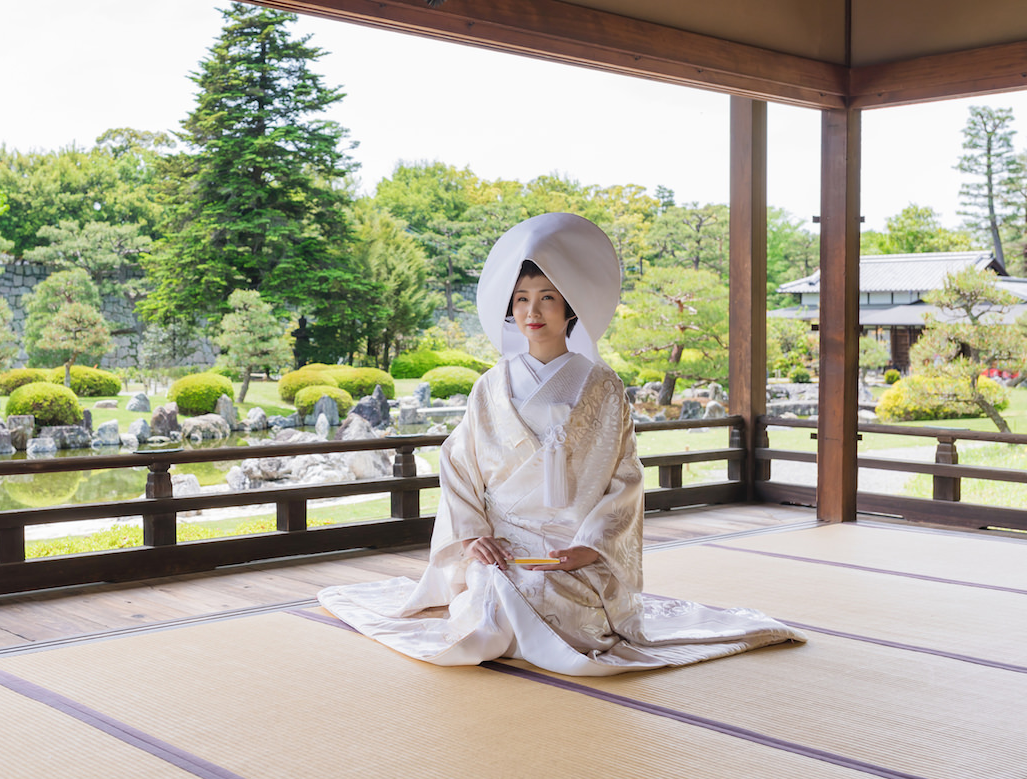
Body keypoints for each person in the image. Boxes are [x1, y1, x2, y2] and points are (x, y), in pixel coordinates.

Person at [318, 213, 803, 676]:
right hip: (504, 548)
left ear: (570, 307)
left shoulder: (603, 385)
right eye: (522, 298)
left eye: (547, 298)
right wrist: (473, 537)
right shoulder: (490, 385)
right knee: (494, 600)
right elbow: (459, 466)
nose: (532, 311)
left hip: (574, 548)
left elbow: (624, 479)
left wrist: (592, 547)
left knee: (567, 617)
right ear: (510, 307)